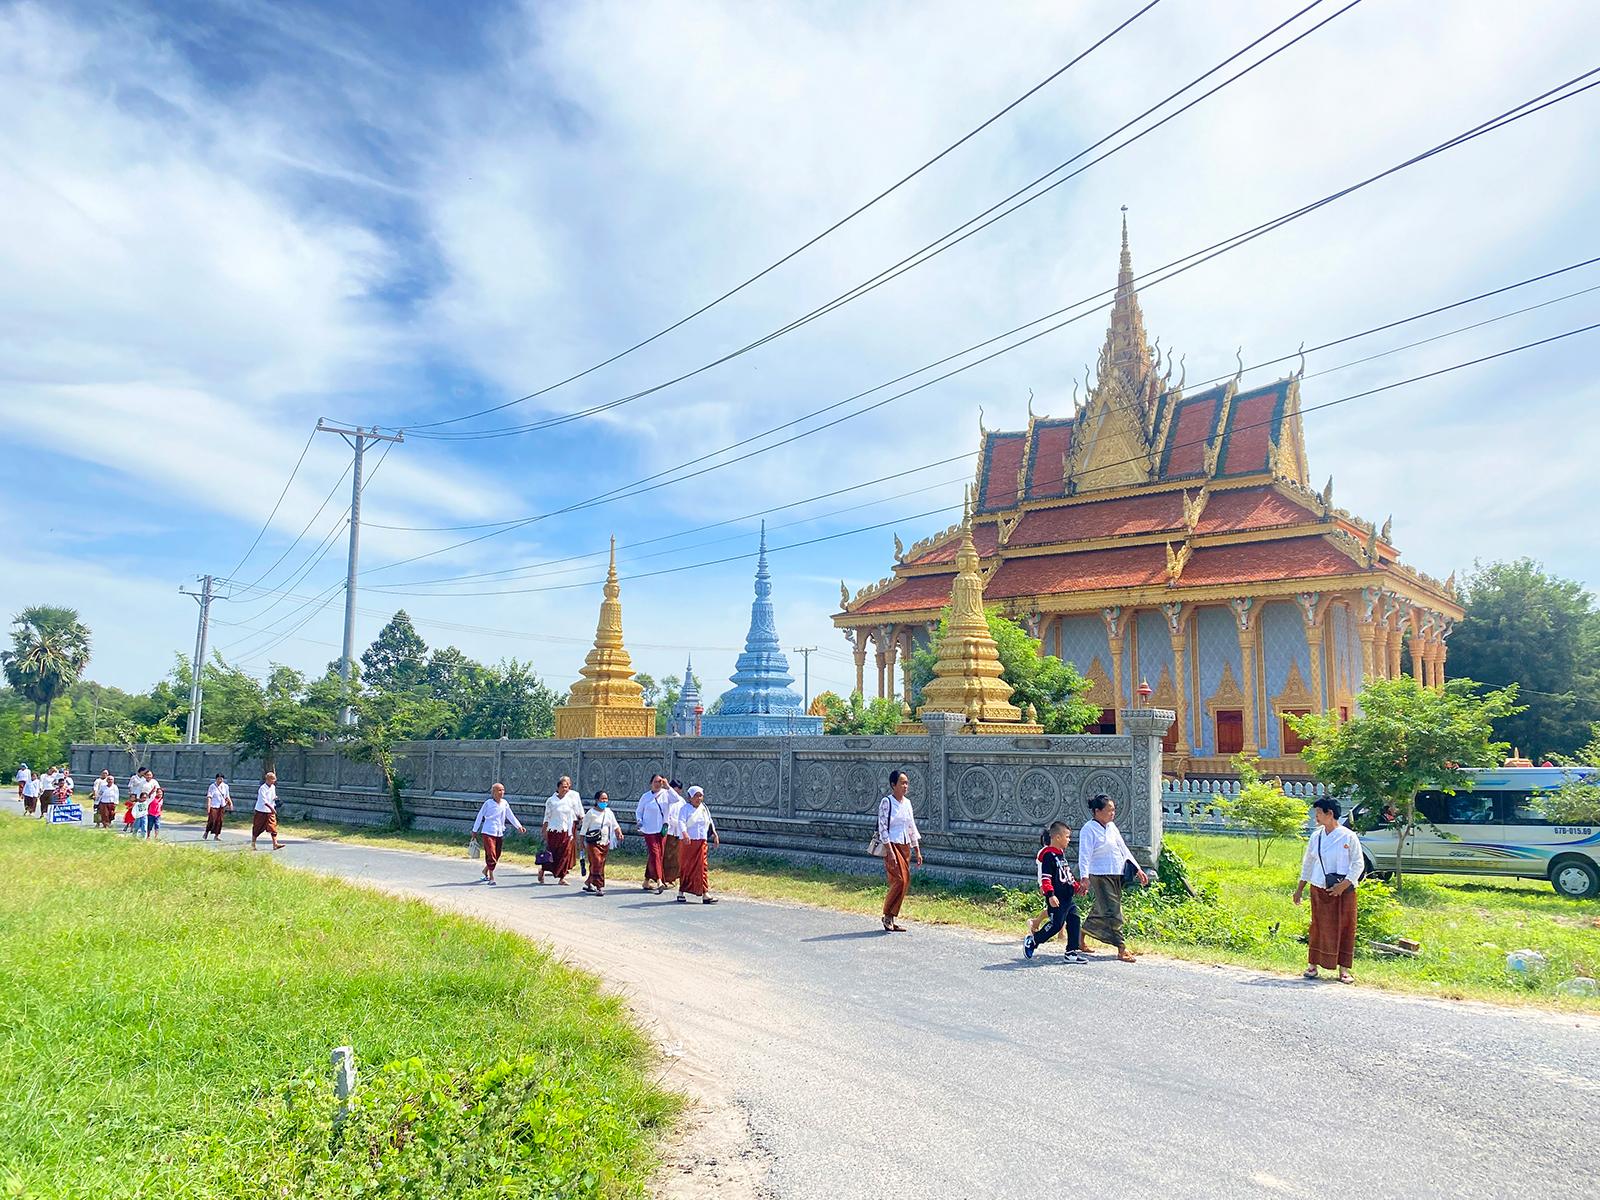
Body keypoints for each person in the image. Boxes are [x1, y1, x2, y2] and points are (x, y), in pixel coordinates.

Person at [1294, 797, 1363, 984]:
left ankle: (1344, 970)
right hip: (1319, 887)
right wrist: (1300, 889)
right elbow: (1308, 863)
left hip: (1344, 890)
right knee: (1317, 926)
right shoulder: (1316, 836)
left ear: (1329, 813)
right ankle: (1313, 965)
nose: (1315, 816)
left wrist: (1344, 885)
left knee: (1345, 927)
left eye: (1318, 813)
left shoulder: (1348, 836)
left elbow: (1358, 863)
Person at [1078, 794, 1148, 963]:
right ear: (1097, 811)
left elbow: (1123, 849)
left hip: (1116, 872)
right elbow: (1084, 854)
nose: (1112, 813)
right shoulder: (1088, 829)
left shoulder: (1112, 827)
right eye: (1109, 810)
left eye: (1113, 810)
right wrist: (1084, 877)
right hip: (1099, 874)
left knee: (1101, 909)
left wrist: (1138, 868)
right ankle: (1121, 948)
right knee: (1113, 911)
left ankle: (1080, 936)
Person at [1023, 821, 1088, 963]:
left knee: (1074, 919)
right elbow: (1046, 878)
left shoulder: (1060, 855)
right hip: (1057, 898)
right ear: (1057, 837)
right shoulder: (1048, 855)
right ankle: (1034, 940)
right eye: (1067, 836)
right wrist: (1050, 895)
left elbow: (1067, 876)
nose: (1069, 840)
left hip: (1067, 898)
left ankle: (1071, 952)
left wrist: (1077, 887)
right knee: (1056, 925)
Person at [876, 769, 922, 932]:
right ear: (893, 785)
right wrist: (889, 850)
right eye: (902, 783)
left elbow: (911, 826)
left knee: (905, 881)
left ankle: (892, 917)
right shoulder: (887, 802)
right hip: (892, 845)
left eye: (907, 783)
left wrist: (916, 849)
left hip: (904, 845)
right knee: (899, 880)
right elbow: (882, 827)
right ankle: (887, 915)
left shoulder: (907, 803)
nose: (905, 786)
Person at [470, 783, 525, 885]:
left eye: (503, 790)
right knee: (491, 854)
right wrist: (474, 830)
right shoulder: (488, 803)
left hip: (499, 832)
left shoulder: (504, 803)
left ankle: (486, 870)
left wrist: (519, 826)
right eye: (499, 790)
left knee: (497, 854)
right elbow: (479, 816)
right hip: (488, 832)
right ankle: (491, 877)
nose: (502, 792)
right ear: (493, 792)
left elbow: (510, 815)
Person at [676, 786, 719, 904]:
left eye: (700, 795)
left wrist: (714, 834)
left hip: (701, 842)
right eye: (696, 796)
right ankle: (681, 891)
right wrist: (684, 834)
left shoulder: (704, 808)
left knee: (702, 867)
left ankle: (705, 893)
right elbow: (681, 822)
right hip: (688, 842)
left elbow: (709, 822)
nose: (698, 798)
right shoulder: (685, 809)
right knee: (686, 867)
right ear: (690, 797)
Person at [540, 776, 582, 884]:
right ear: (558, 788)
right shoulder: (551, 801)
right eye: (563, 787)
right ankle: (543, 869)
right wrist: (544, 829)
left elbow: (577, 813)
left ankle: (562, 877)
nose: (565, 789)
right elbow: (547, 816)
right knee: (552, 853)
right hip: (553, 830)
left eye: (567, 787)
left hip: (566, 831)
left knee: (565, 853)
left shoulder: (570, 800)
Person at [581, 790, 623, 896]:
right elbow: (583, 829)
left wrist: (619, 834)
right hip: (593, 843)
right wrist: (581, 843)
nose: (604, 801)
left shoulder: (609, 812)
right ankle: (599, 886)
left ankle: (589, 882)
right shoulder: (590, 813)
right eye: (602, 799)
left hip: (605, 842)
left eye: (606, 799)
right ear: (597, 800)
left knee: (600, 864)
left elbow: (615, 825)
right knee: (597, 862)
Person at [634, 774, 671, 892]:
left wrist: (667, 786)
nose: (658, 784)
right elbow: (639, 811)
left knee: (657, 855)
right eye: (655, 781)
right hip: (648, 829)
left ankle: (646, 881)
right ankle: (659, 880)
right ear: (651, 783)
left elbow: (676, 799)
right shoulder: (645, 797)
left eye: (660, 781)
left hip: (661, 829)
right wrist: (639, 821)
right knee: (655, 854)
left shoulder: (666, 794)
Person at [662, 779, 687, 888]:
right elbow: (667, 815)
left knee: (677, 856)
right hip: (669, 830)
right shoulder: (666, 798)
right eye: (675, 790)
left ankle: (673, 878)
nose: (678, 793)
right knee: (667, 855)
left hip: (679, 832)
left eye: (679, 791)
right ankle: (665, 878)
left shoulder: (682, 801)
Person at [252, 771, 282, 851]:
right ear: (268, 779)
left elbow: (273, 796)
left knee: (273, 827)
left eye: (274, 779)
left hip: (270, 811)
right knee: (257, 827)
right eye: (272, 779)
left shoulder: (273, 787)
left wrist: (276, 799)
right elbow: (264, 801)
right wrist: (272, 809)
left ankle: (275, 844)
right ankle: (253, 844)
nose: (274, 781)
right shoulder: (262, 788)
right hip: (261, 810)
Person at [204, 773, 233, 840]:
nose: (220, 780)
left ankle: (216, 836)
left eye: (221, 779)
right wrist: (208, 806)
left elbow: (227, 796)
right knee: (212, 820)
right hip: (214, 806)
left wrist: (230, 804)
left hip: (222, 805)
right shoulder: (212, 786)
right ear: (216, 779)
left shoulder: (225, 786)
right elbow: (209, 797)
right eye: (218, 779)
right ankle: (206, 832)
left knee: (220, 821)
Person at [142, 771, 162, 839]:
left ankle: (156, 836)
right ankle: (146, 834)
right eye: (147, 775)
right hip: (145, 801)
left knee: (156, 823)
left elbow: (158, 789)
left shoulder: (154, 782)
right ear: (144, 776)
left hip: (154, 801)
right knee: (147, 820)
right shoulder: (142, 783)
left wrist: (159, 796)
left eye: (150, 775)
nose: (149, 776)